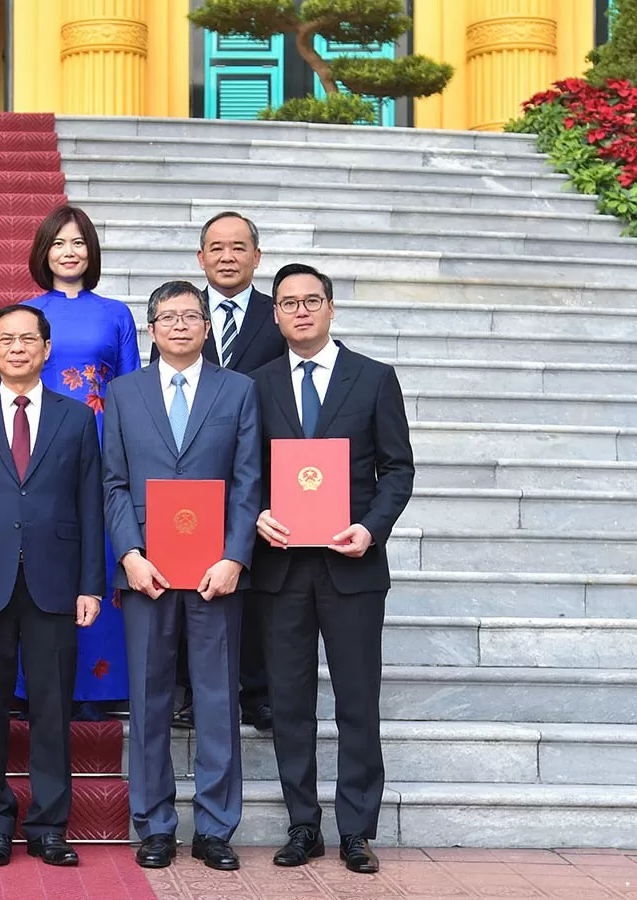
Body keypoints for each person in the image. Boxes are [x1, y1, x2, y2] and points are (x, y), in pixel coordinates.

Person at [251, 263, 414, 875]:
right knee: (290, 702)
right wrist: (257, 516)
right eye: (287, 303)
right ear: (275, 314)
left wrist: (371, 528)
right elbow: (248, 471)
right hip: (282, 568)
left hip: (352, 567)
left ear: (330, 307)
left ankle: (356, 830)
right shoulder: (256, 383)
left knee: (356, 701)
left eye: (310, 301)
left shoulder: (373, 379)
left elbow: (398, 468)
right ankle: (303, 826)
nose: (299, 311)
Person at [102, 280, 261, 872]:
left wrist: (235, 556)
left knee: (218, 698)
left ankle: (217, 827)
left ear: (206, 326)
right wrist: (130, 554)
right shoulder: (123, 393)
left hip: (215, 572)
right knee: (147, 698)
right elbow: (113, 483)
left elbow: (249, 481)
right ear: (151, 327)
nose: (178, 325)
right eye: (166, 317)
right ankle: (155, 824)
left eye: (190, 316)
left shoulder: (238, 391)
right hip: (148, 571)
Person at [0, 304, 101, 868]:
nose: (16, 348)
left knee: (52, 708)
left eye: (27, 339)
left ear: (47, 349)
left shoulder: (76, 418)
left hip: (56, 581)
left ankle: (50, 823)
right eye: (5, 339)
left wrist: (92, 584)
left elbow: (89, 505)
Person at [155, 211, 287, 732]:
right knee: (188, 579)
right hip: (189, 477)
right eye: (216, 247)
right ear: (200, 257)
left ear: (257, 257)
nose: (226, 256)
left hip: (262, 470)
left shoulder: (276, 314)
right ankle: (187, 690)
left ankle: (256, 690)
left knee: (252, 585)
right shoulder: (179, 315)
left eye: (238, 248)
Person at [19, 204, 139, 720]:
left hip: (101, 441)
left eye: (78, 243)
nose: (69, 252)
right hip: (39, 446)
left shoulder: (116, 313)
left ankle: (102, 686)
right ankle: (35, 685)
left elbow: (132, 389)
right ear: (44, 253)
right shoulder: (25, 312)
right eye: (59, 244)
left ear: (91, 252)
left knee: (102, 551)